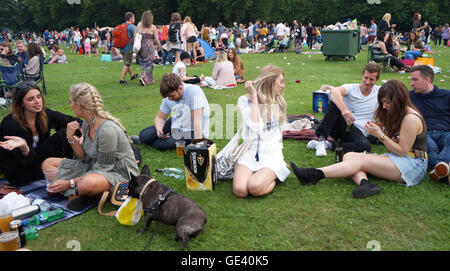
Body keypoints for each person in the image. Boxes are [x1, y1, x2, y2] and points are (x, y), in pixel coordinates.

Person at [291, 79, 428, 198]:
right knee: (349, 155)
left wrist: (380, 135)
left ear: (398, 100)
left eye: (387, 102)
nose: (384, 106)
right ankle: (365, 184)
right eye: (382, 102)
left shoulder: (410, 118)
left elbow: (403, 151)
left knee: (359, 159)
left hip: (412, 165)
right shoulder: (399, 113)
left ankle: (314, 174)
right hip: (399, 159)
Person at [40, 83, 139, 211]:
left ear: (79, 106)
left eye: (71, 102)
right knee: (47, 164)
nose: (70, 106)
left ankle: (77, 193)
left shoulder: (107, 130)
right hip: (94, 167)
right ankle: (78, 193)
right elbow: (84, 158)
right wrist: (71, 139)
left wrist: (69, 182)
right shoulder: (87, 124)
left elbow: (104, 168)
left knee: (86, 184)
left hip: (118, 173)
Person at [0, 81, 79, 185]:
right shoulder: (10, 124)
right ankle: (70, 173)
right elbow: (13, 163)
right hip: (20, 173)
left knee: (68, 131)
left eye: (38, 97)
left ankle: (75, 169)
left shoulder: (44, 114)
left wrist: (81, 131)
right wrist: (25, 148)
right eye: (31, 99)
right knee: (63, 134)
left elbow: (71, 121)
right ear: (21, 103)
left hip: (41, 162)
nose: (37, 101)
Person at [232, 65, 290, 198]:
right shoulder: (245, 101)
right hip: (251, 153)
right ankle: (268, 174)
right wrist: (254, 96)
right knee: (240, 190)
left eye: (283, 82)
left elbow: (278, 135)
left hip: (271, 155)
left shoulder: (280, 102)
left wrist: (280, 158)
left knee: (255, 187)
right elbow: (255, 126)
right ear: (270, 82)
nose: (283, 86)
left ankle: (276, 172)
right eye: (281, 82)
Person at [307, 63, 382, 157]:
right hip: (345, 125)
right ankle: (321, 140)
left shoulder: (379, 91)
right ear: (362, 75)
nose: (367, 81)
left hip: (361, 133)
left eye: (371, 79)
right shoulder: (351, 88)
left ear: (377, 79)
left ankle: (329, 145)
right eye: (365, 78)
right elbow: (333, 92)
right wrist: (344, 110)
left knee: (365, 146)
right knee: (335, 102)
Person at [131, 72, 210, 151]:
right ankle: (147, 140)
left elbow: (197, 120)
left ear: (180, 88)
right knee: (144, 135)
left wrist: (198, 144)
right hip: (176, 121)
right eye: (168, 96)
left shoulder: (194, 92)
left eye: (172, 96)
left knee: (161, 144)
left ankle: (154, 142)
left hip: (192, 129)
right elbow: (160, 117)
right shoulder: (169, 96)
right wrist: (159, 130)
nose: (170, 99)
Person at [409, 65, 450, 183]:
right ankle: (443, 171)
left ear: (427, 80)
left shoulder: (446, 95)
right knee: (430, 149)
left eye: (415, 80)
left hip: (446, 132)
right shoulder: (409, 97)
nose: (411, 83)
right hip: (424, 133)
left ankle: (439, 168)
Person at [135, 10, 160, 86]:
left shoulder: (139, 26)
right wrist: (159, 45)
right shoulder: (153, 27)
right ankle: (144, 77)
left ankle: (150, 79)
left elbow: (134, 35)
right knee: (149, 62)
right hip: (149, 47)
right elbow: (156, 39)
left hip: (140, 46)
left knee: (144, 62)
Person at [119, 12, 138, 84]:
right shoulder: (131, 26)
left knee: (127, 61)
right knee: (127, 63)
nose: (134, 19)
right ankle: (122, 79)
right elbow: (138, 34)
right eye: (133, 18)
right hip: (128, 47)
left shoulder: (122, 25)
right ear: (130, 18)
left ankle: (132, 75)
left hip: (122, 47)